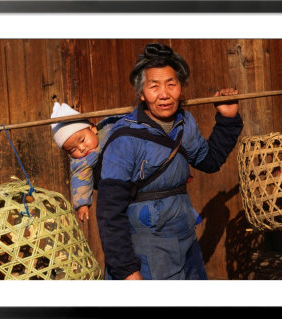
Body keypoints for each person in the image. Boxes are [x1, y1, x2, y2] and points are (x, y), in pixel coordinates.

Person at [95, 43, 244, 280]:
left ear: (181, 89)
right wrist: (127, 271)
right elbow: (109, 212)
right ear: (142, 93)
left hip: (186, 244)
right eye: (154, 86)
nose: (164, 94)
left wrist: (227, 119)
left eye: (171, 84)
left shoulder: (184, 123)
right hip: (147, 253)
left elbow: (210, 160)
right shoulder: (124, 139)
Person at [50, 102, 122, 222]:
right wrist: (82, 205)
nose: (82, 148)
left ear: (93, 128)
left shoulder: (109, 128)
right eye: (73, 150)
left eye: (82, 140)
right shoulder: (81, 162)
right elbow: (80, 180)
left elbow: (126, 121)